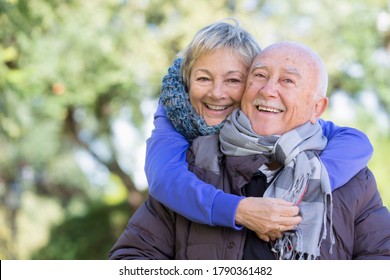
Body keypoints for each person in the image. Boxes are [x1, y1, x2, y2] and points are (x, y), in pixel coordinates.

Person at [109, 41, 390, 259]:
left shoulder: (353, 179)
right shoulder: (194, 166)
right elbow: (131, 258)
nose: (268, 90)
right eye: (259, 75)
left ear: (317, 107)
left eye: (287, 81)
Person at [143, 19, 373, 241]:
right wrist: (238, 210)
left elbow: (355, 141)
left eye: (233, 80)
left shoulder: (291, 137)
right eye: (203, 78)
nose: (216, 93)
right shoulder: (175, 113)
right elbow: (163, 178)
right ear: (187, 81)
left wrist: (305, 187)